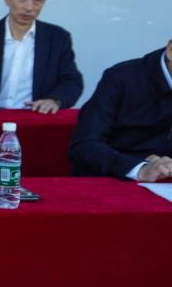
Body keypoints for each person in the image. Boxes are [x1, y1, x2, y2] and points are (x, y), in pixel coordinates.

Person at [68, 40, 172, 182]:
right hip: (110, 178)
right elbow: (84, 144)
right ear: (170, 51)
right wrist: (140, 168)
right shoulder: (121, 77)